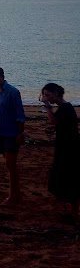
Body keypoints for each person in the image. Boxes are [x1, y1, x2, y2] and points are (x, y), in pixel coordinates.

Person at [40, 82, 80, 221]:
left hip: (69, 148)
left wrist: (47, 107)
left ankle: (73, 211)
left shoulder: (65, 107)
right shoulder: (65, 107)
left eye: (48, 95)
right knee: (66, 176)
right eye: (45, 95)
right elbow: (61, 124)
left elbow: (54, 121)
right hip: (67, 146)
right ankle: (71, 210)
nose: (46, 97)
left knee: (68, 176)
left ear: (56, 93)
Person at [0, 65, 26, 205]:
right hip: (0, 132)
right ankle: (17, 194)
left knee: (11, 164)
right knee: (9, 165)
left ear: (2, 76)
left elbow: (20, 114)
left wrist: (20, 133)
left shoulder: (13, 92)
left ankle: (13, 196)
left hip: (12, 133)